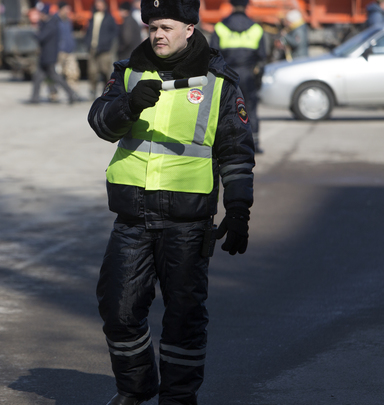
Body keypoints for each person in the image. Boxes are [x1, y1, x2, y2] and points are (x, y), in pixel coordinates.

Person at [87, 0, 255, 403]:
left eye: (166, 27)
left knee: (184, 319)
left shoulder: (219, 81)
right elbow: (99, 123)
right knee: (119, 310)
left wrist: (238, 210)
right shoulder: (128, 72)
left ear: (189, 29)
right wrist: (127, 106)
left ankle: (178, 397)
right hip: (133, 215)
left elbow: (235, 152)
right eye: (152, 27)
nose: (157, 34)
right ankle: (136, 388)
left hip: (188, 220)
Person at [209, 0, 266, 154]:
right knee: (250, 108)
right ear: (247, 5)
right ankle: (254, 143)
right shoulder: (256, 28)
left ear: (231, 5)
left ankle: (227, 144)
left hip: (227, 74)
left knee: (225, 109)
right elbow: (262, 56)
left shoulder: (220, 27)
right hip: (248, 74)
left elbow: (213, 54)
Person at [27, 2, 78, 104]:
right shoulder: (46, 24)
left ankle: (71, 93)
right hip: (44, 57)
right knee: (38, 77)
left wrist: (33, 33)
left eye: (40, 13)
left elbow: (41, 37)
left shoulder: (51, 24)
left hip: (49, 57)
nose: (39, 15)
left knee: (56, 77)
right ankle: (34, 98)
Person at [84, 0, 119, 99]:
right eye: (97, 3)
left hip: (104, 51)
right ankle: (92, 91)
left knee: (105, 72)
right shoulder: (92, 17)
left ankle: (107, 91)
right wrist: (87, 42)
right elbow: (88, 32)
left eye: (100, 3)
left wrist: (107, 44)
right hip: (93, 49)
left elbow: (114, 33)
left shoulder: (109, 18)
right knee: (92, 72)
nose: (98, 5)